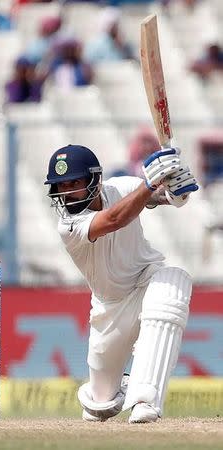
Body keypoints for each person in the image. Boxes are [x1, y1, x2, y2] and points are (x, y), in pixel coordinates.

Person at [44, 144, 198, 423]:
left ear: (95, 180)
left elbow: (160, 197)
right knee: (99, 405)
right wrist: (152, 183)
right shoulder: (68, 226)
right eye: (60, 185)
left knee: (172, 284)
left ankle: (144, 401)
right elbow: (115, 218)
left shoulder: (123, 187)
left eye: (74, 182)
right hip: (109, 307)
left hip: (147, 279)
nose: (66, 192)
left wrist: (177, 191)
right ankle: (117, 388)